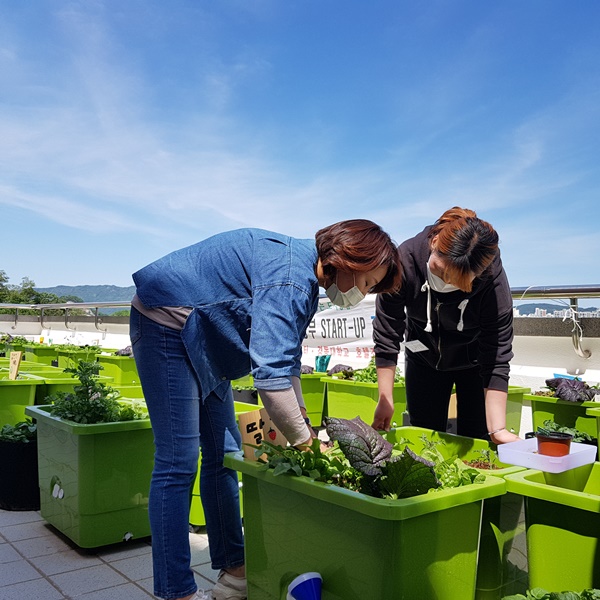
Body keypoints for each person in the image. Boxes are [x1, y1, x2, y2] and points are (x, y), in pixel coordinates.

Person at [129, 220, 402, 600]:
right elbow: (270, 379)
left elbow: (286, 362)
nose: (363, 293)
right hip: (165, 323)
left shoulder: (304, 277)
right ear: (346, 260)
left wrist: (303, 425)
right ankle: (177, 590)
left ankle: (236, 569)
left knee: (225, 456)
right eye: (368, 283)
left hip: (203, 337)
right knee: (178, 460)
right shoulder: (291, 278)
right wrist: (306, 443)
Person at [372, 206, 519, 445]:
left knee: (479, 440)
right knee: (425, 440)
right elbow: (388, 331)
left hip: (474, 363)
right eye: (441, 271)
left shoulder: (491, 277)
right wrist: (385, 399)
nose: (445, 281)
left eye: (457, 281)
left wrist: (498, 429)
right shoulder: (406, 260)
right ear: (435, 241)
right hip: (423, 357)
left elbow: (497, 352)